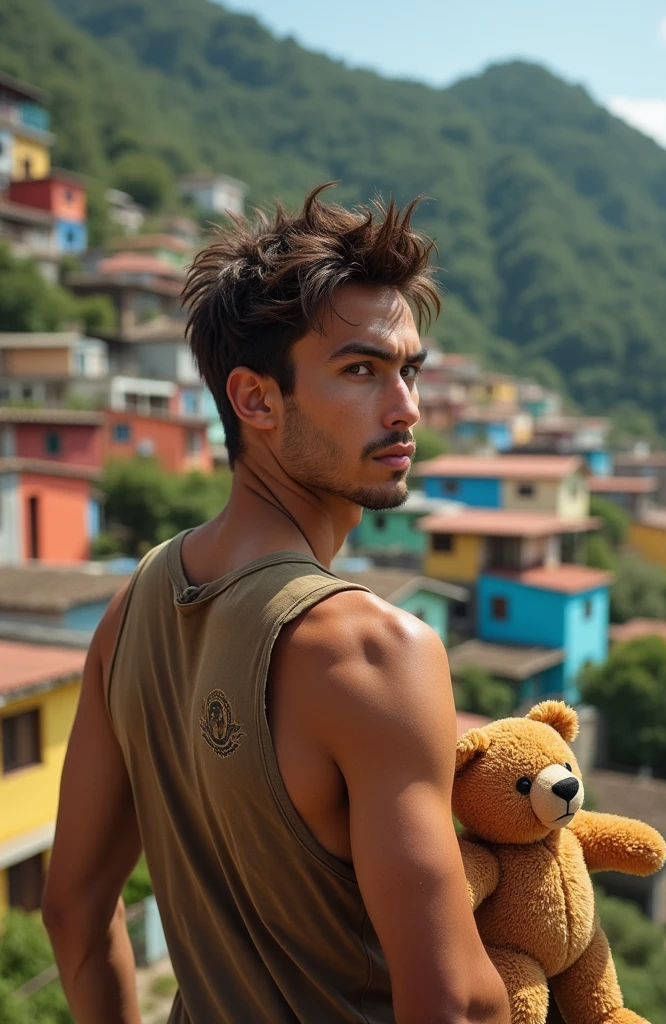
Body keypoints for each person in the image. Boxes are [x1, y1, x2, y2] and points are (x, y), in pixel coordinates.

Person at [42, 184, 510, 1024]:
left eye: (410, 371)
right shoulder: (371, 649)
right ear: (255, 399)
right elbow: (457, 1005)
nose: (406, 409)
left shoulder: (131, 607)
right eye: (361, 370)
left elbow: (72, 908)